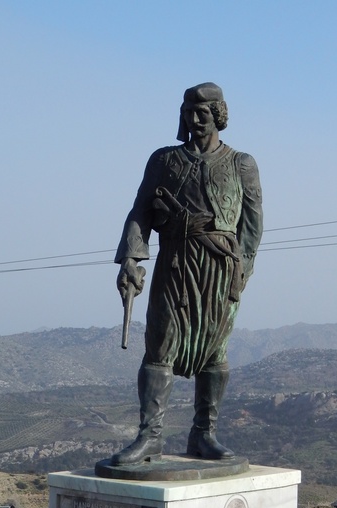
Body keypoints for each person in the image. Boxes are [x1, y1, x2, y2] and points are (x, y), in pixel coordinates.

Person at [112, 82, 263, 466]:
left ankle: (204, 433)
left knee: (215, 350)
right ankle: (150, 435)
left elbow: (252, 226)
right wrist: (131, 258)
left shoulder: (241, 164)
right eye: (188, 113)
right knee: (159, 344)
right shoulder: (164, 161)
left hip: (220, 269)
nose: (194, 119)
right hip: (175, 264)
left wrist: (242, 271)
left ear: (218, 115)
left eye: (202, 113)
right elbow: (140, 212)